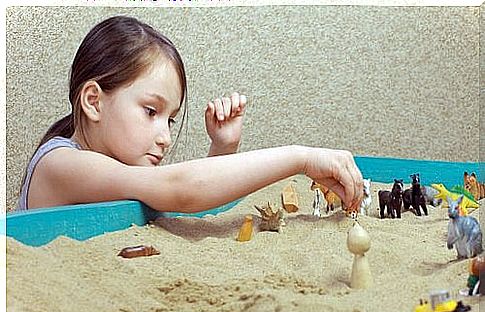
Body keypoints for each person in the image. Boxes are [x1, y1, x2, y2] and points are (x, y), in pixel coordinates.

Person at [18, 15, 363, 213]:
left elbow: (188, 204)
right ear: (93, 101)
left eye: (169, 119)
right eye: (150, 111)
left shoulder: (123, 172)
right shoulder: (59, 164)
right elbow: (182, 189)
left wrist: (222, 148)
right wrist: (301, 158)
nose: (165, 137)